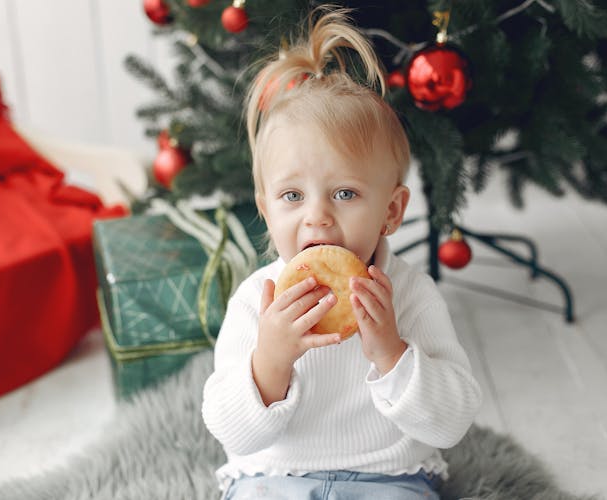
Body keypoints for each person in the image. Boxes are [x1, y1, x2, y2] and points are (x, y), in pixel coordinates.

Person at [202, 7, 482, 500]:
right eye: (293, 197)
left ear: (391, 212)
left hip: (389, 479)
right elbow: (231, 431)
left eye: (345, 194)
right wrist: (270, 360)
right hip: (273, 479)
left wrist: (393, 355)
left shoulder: (412, 296)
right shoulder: (256, 301)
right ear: (266, 211)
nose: (317, 218)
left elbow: (452, 423)